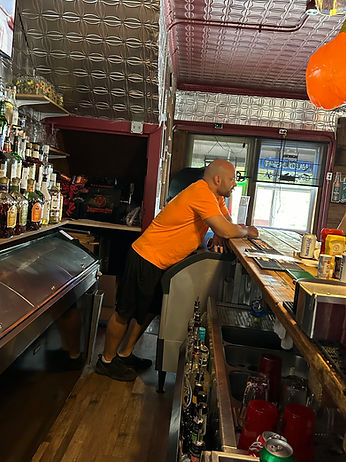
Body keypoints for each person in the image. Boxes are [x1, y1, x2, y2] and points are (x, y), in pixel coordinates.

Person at [95, 159, 259, 381]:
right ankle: (106, 361)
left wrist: (225, 231)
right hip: (146, 256)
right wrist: (247, 230)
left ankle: (124, 354)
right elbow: (225, 228)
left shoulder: (215, 196)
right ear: (218, 179)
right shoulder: (200, 192)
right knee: (125, 312)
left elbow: (225, 224)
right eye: (231, 179)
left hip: (162, 262)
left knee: (150, 311)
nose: (234, 184)